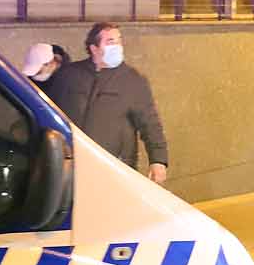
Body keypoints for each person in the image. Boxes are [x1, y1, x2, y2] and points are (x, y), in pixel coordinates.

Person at [48, 23, 169, 185]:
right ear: (94, 48)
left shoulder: (133, 80)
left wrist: (158, 161)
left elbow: (150, 124)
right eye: (110, 42)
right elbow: (50, 111)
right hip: (73, 167)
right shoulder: (69, 76)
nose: (117, 46)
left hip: (115, 169)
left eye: (119, 41)